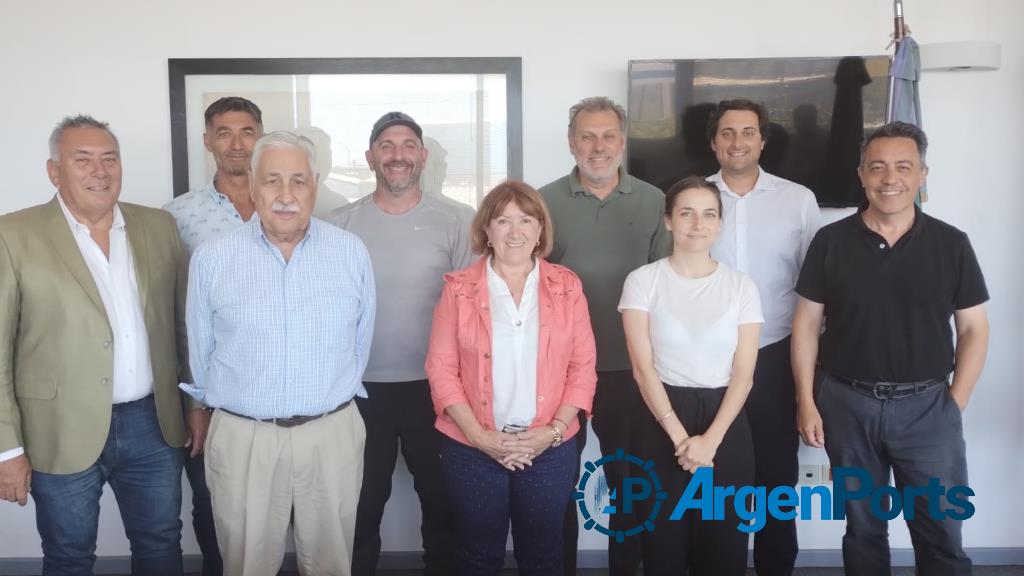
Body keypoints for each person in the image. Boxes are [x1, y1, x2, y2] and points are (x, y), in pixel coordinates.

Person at [792, 122, 989, 576]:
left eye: (903, 166)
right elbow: (805, 324)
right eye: (877, 167)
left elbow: (975, 329)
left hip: (928, 406)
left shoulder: (951, 243)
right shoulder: (831, 241)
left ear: (923, 174)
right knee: (863, 528)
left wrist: (953, 403)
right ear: (861, 174)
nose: (889, 178)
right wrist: (807, 400)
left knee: (940, 529)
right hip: (847, 403)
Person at [0, 115, 193, 575]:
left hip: (153, 424)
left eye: (109, 159)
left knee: (161, 544)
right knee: (68, 555)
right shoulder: (13, 235)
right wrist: (7, 450)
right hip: (57, 428)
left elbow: (182, 328)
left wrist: (195, 405)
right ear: (54, 171)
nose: (99, 171)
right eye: (82, 160)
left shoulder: (159, 227)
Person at [185, 131, 375, 576]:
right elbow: (201, 352)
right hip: (244, 437)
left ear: (316, 184)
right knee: (246, 564)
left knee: (330, 562)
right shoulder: (214, 259)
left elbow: (360, 342)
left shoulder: (350, 253)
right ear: (252, 185)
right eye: (272, 181)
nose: (286, 195)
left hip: (331, 433)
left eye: (298, 181)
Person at [425, 181, 597, 576]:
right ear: (487, 229)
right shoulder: (458, 289)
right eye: (503, 220)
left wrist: (551, 433)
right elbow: (441, 368)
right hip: (472, 449)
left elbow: (582, 366)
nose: (515, 231)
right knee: (476, 556)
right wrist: (481, 437)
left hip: (548, 450)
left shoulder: (567, 287)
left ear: (541, 229)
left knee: (543, 557)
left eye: (526, 220)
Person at [332, 111, 471, 576]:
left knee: (442, 500)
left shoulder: (456, 220)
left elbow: (472, 312)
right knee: (361, 504)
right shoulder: (339, 224)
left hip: (435, 390)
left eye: (408, 145)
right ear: (371, 157)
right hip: (359, 390)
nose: (398, 155)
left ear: (423, 156)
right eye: (387, 146)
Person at [538, 96, 670, 575]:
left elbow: (667, 288)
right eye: (587, 136)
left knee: (631, 486)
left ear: (622, 140)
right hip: (556, 371)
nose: (598, 147)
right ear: (571, 143)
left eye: (608, 135)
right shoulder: (542, 202)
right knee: (554, 487)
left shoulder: (655, 201)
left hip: (629, 371)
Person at [620, 176, 762, 576]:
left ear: (719, 223)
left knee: (723, 548)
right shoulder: (643, 281)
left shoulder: (741, 287)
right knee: (662, 545)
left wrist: (709, 442)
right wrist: (682, 440)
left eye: (708, 214)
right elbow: (642, 368)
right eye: (686, 213)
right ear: (668, 220)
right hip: (660, 418)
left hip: (725, 422)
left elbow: (744, 375)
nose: (697, 224)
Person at [705, 98, 821, 575]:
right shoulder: (692, 198)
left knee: (776, 477)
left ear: (762, 140)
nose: (737, 142)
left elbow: (818, 285)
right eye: (728, 133)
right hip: (709, 360)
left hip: (775, 355)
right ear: (713, 142)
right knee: (714, 476)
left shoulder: (798, 199)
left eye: (747, 132)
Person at [164, 95, 265, 576]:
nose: (236, 143)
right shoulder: (178, 217)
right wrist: (194, 404)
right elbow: (176, 318)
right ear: (207, 142)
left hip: (279, 392)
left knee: (279, 509)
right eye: (224, 132)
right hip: (214, 394)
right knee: (212, 505)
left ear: (260, 137)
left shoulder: (292, 208)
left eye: (246, 131)